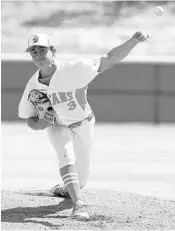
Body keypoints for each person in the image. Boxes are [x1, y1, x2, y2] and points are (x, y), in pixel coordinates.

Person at [18, 30, 150, 220]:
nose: (38, 54)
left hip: (84, 123)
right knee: (66, 155)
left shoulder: (74, 69)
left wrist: (133, 41)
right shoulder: (33, 85)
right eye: (33, 51)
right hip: (58, 126)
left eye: (42, 49)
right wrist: (43, 123)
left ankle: (67, 188)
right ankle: (78, 204)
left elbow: (110, 59)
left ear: (53, 50)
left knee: (83, 174)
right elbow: (29, 120)